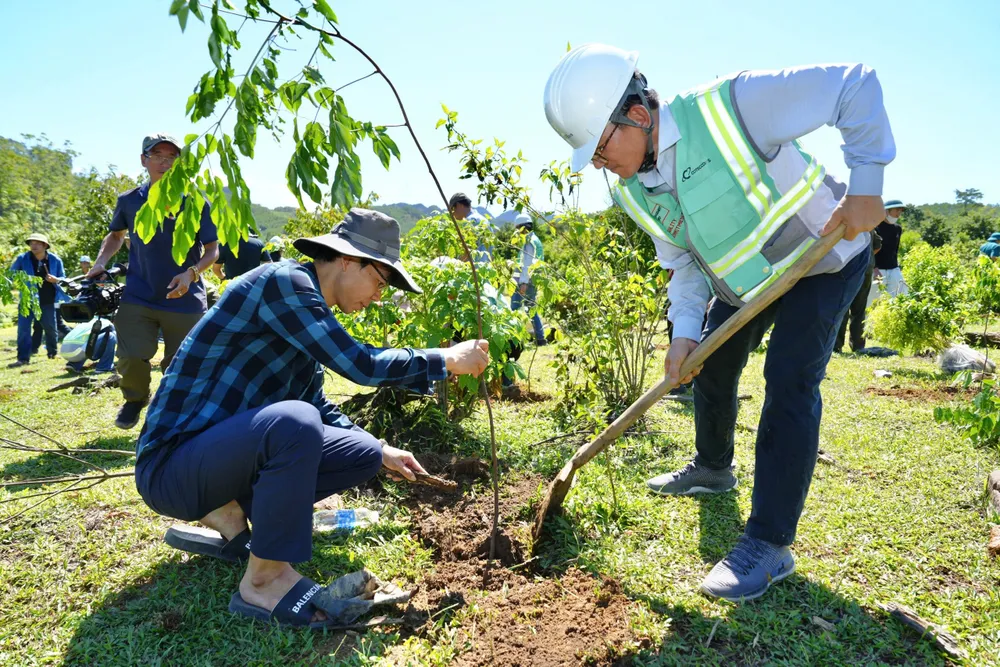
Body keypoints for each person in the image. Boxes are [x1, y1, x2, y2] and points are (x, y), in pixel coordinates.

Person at [544, 44, 894, 601]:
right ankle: (712, 468)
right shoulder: (634, 190)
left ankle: (769, 543)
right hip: (748, 285)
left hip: (824, 258)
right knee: (708, 363)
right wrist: (684, 336)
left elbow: (853, 83)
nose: (597, 163)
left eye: (600, 147)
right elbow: (683, 265)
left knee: (789, 378)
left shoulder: (733, 106)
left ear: (636, 115)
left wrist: (867, 184)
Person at [134, 209, 490, 628]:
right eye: (378, 281)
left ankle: (229, 512)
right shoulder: (283, 283)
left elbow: (317, 405)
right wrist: (444, 359)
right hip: (171, 467)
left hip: (214, 462)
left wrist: (381, 448)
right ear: (346, 260)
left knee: (361, 452)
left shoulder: (305, 315)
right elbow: (360, 364)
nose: (378, 295)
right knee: (294, 424)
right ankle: (264, 582)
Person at [86, 134, 219, 430]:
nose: (164, 162)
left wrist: (191, 273)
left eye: (171, 157)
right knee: (131, 355)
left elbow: (212, 250)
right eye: (157, 155)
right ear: (143, 160)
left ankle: (172, 415)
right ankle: (134, 401)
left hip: (183, 297)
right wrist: (100, 264)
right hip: (138, 294)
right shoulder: (130, 200)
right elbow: (117, 235)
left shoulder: (194, 201)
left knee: (180, 363)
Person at [9, 233, 67, 367]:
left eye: (37, 243)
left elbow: (63, 279)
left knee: (51, 328)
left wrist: (55, 280)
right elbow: (11, 274)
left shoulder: (55, 260)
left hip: (48, 301)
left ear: (45, 245)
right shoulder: (22, 258)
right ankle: (23, 358)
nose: (33, 246)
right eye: (31, 243)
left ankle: (52, 353)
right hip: (27, 300)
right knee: (23, 330)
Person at [835, 228, 882, 353]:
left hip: (847, 267)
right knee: (859, 309)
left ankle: (836, 345)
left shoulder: (846, 222)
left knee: (842, 307)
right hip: (866, 268)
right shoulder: (869, 225)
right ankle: (858, 345)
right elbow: (878, 244)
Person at [510, 214, 546, 346]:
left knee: (514, 309)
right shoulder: (534, 239)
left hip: (525, 281)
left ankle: (513, 339)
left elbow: (527, 263)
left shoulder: (529, 242)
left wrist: (523, 282)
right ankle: (540, 338)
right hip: (532, 280)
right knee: (531, 309)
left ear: (522, 228)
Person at [874, 200, 907, 296]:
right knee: (875, 299)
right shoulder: (875, 227)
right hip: (878, 269)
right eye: (897, 210)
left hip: (893, 268)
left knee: (900, 295)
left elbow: (895, 250)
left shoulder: (898, 229)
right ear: (886, 211)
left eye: (901, 211)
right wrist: (874, 268)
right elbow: (870, 251)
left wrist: (897, 268)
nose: (899, 214)